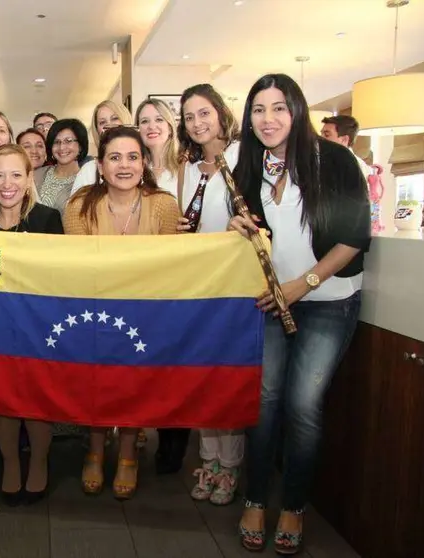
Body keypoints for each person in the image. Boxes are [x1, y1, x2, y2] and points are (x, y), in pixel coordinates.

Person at [230, 74, 369, 554]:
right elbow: (261, 232)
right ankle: (255, 497)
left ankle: (293, 506)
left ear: (297, 110)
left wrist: (301, 286)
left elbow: (353, 237)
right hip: (272, 301)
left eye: (278, 108)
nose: (267, 120)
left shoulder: (334, 159)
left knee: (302, 406)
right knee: (263, 402)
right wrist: (241, 226)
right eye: (258, 110)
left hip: (329, 302)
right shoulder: (251, 164)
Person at [64, 126, 181, 500]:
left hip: (147, 312)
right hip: (94, 310)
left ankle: (128, 453)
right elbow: (79, 266)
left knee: (135, 382)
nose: (124, 165)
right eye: (114, 157)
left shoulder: (164, 204)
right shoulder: (79, 204)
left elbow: (170, 265)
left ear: (144, 163)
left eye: (133, 157)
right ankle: (95, 450)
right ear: (100, 165)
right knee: (96, 382)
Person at [0, 144, 63, 505]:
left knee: (36, 398)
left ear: (29, 179)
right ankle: (10, 462)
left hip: (39, 327)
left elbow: (60, 277)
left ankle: (38, 461)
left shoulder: (48, 220)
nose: (8, 184)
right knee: (2, 399)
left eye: (16, 174)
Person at [174, 84, 244, 504]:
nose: (198, 123)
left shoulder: (241, 158)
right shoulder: (186, 166)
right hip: (196, 286)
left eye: (204, 113)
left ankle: (231, 466)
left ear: (220, 113)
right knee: (201, 377)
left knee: (226, 377)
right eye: (189, 117)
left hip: (232, 284)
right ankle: (209, 460)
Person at [69, 100, 133, 197]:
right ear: (97, 130)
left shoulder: (143, 164)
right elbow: (74, 209)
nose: (109, 125)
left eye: (115, 118)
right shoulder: (89, 169)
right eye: (102, 122)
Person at [33, 119, 90, 214]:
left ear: (80, 146)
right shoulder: (36, 175)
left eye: (68, 141)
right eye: (56, 142)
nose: (62, 147)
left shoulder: (87, 181)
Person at [134, 98, 182, 196]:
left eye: (159, 119)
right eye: (144, 121)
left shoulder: (185, 167)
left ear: (170, 128)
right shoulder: (136, 170)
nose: (151, 126)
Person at [320, 115, 372, 179]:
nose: (320, 139)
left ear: (344, 140)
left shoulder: (355, 168)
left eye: (326, 135)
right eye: (321, 134)